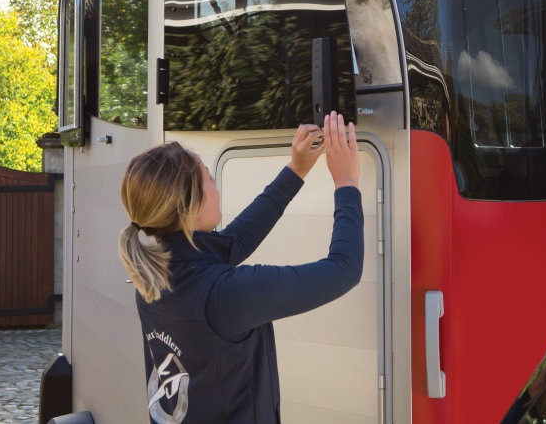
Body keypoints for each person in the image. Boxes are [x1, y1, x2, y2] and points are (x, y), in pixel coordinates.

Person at [119, 111, 363, 423]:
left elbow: (234, 242)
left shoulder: (154, 275)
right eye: (208, 177)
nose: (214, 181)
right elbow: (343, 270)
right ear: (188, 210)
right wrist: (346, 183)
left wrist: (296, 170)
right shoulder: (225, 294)